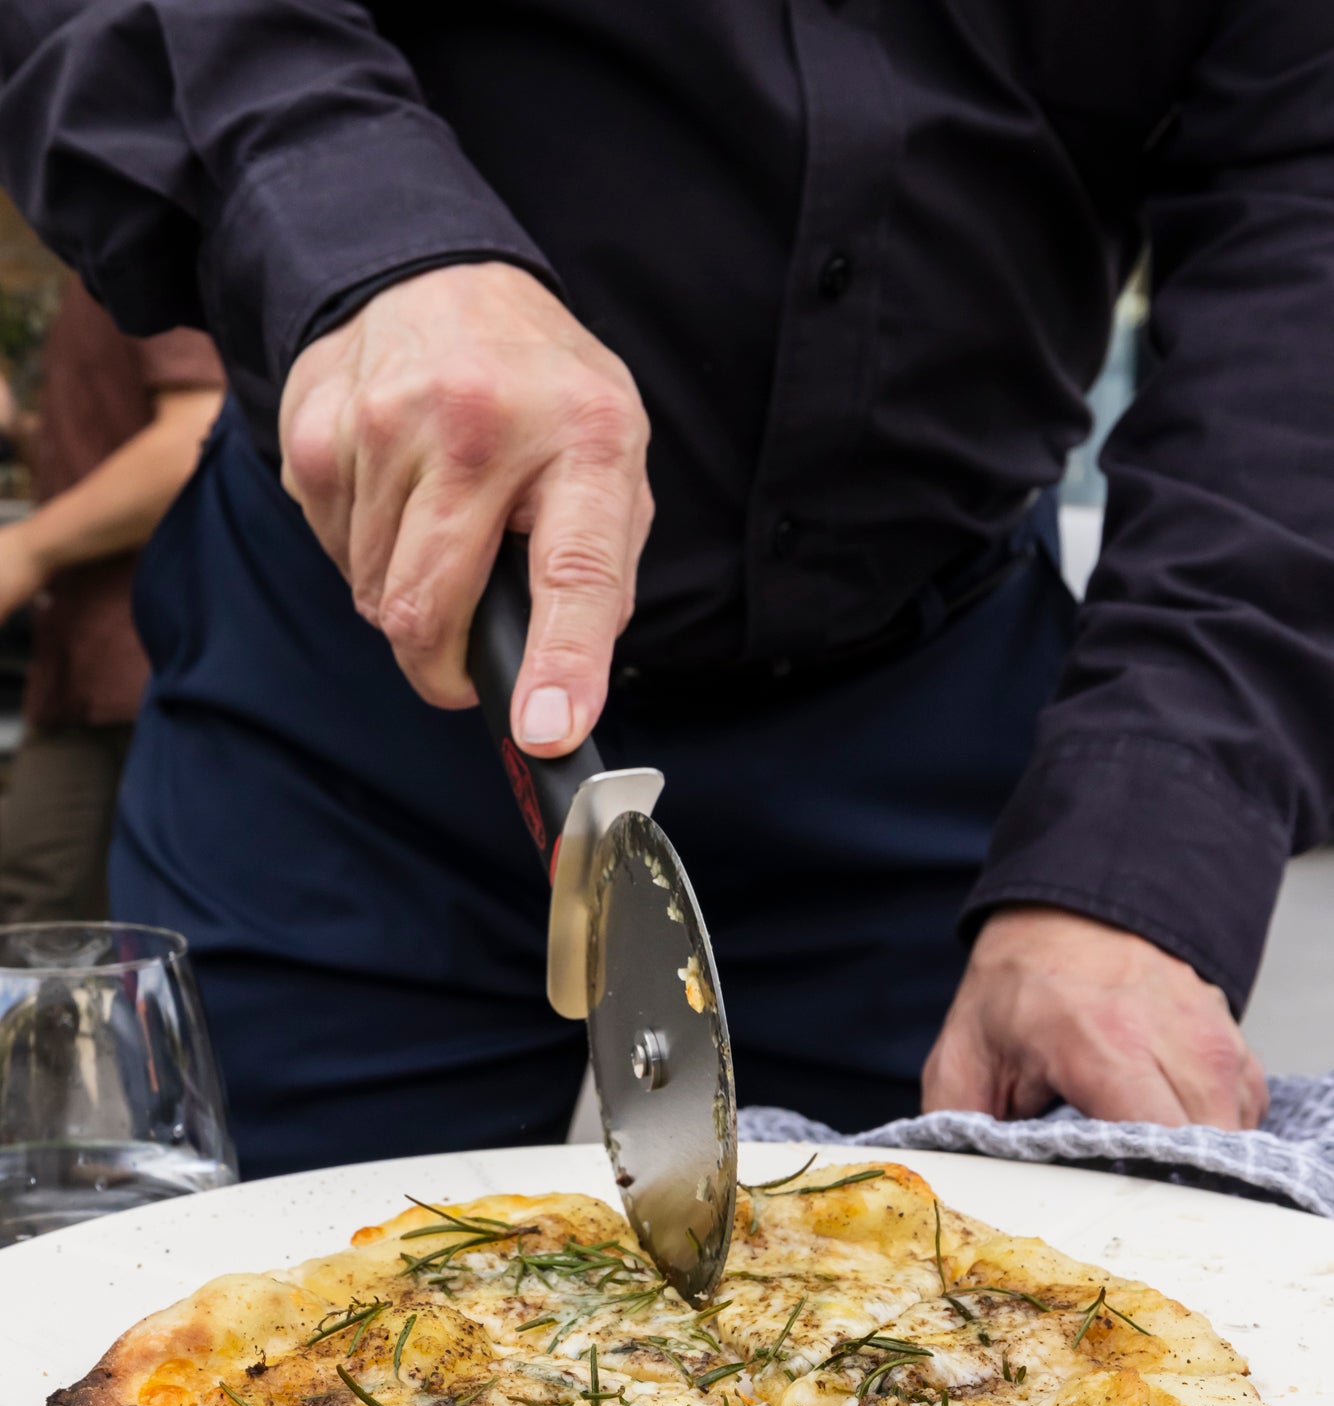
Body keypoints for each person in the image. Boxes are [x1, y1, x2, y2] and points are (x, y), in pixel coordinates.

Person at [1, 4, 1328, 1177]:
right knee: (228, 1331)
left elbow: (1299, 235)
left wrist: (1132, 848)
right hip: (356, 689)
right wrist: (358, 230)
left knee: (1005, 1337)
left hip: (951, 747)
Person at [0, 276, 223, 920]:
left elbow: (194, 439)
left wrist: (27, 548)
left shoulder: (146, 248)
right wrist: (25, 431)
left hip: (154, 663)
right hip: (82, 670)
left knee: (107, 925)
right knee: (40, 910)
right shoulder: (93, 266)